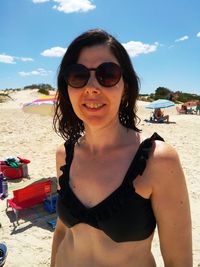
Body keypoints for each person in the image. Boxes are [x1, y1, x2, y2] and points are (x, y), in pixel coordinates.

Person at [51, 29, 192, 267]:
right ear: (67, 88)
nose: (92, 87)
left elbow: (179, 262)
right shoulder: (65, 154)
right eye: (78, 75)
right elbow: (63, 231)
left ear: (125, 86)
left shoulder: (158, 160)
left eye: (107, 74)